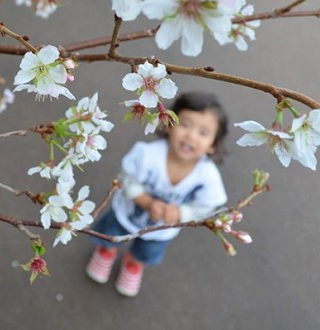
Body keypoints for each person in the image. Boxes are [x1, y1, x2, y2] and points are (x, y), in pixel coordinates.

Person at [86, 92, 228, 297]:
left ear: (213, 145)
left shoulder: (208, 177)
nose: (191, 135)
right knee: (110, 234)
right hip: (125, 213)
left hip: (160, 230)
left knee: (145, 252)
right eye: (185, 124)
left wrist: (180, 214)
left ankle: (133, 265)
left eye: (203, 133)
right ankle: (106, 251)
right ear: (169, 124)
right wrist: (146, 202)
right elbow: (127, 179)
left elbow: (207, 206)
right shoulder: (147, 154)